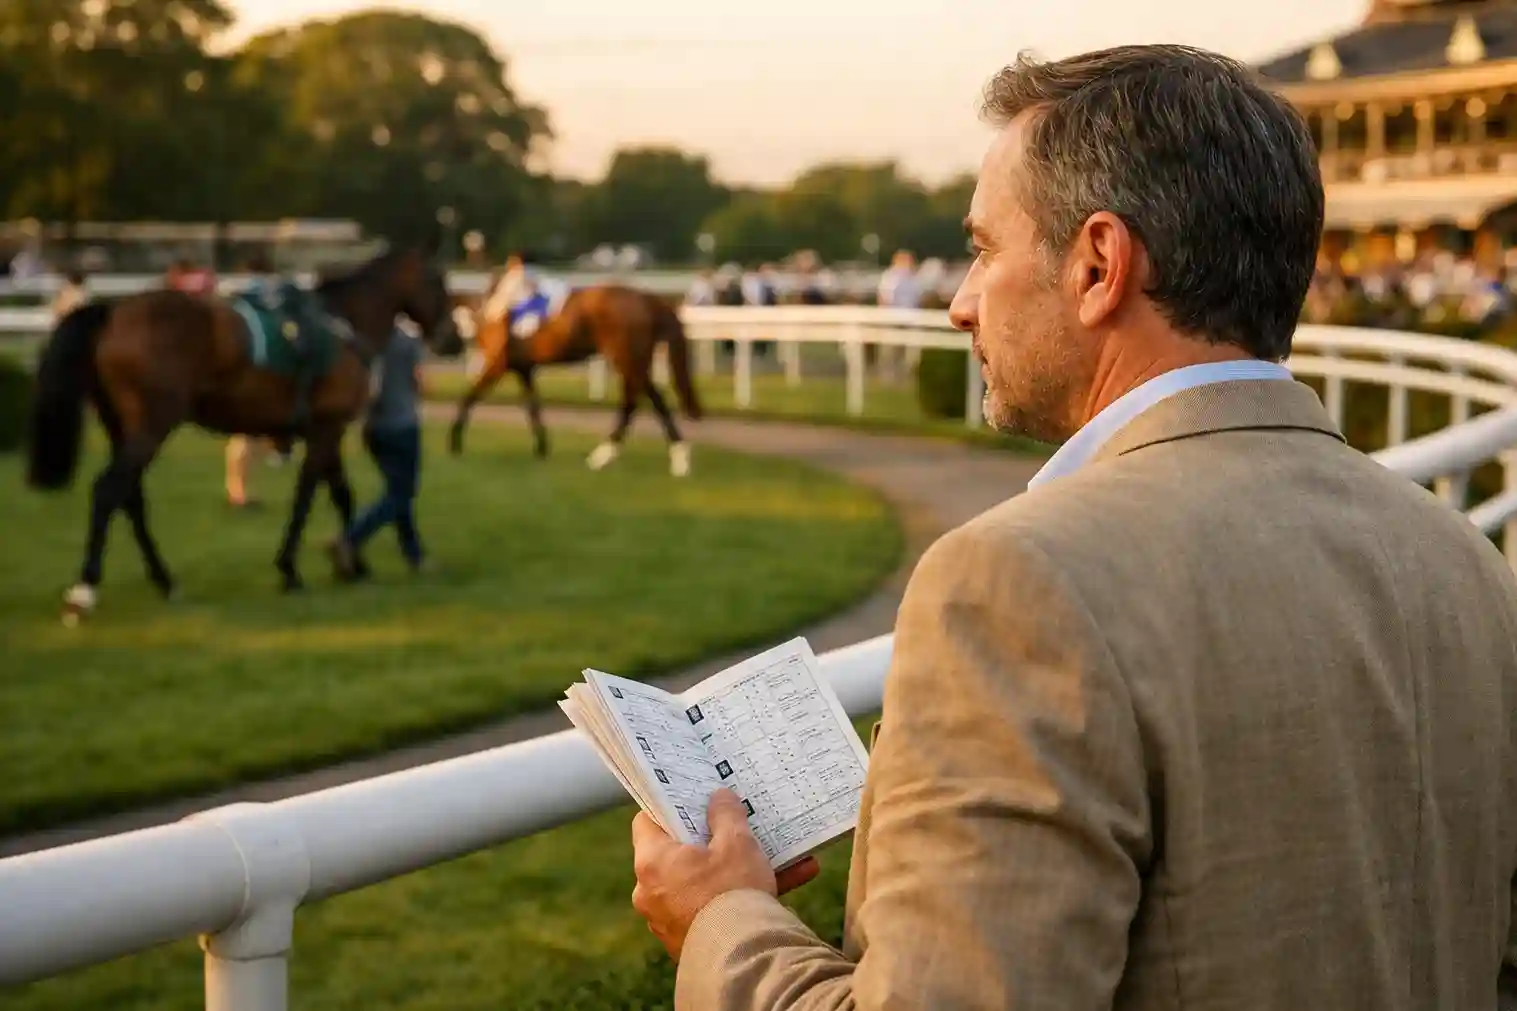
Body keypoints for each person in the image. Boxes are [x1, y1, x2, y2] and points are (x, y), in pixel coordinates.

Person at [628, 44, 1517, 1011]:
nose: (960, 304)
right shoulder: (1463, 556)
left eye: (983, 250)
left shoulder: (1017, 581)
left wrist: (719, 918)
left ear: (1098, 264)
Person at [328, 324, 428, 577]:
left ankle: (415, 556)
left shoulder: (366, 341)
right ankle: (350, 538)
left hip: (373, 428)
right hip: (402, 425)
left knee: (397, 492)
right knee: (401, 494)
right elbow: (422, 382)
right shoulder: (407, 341)